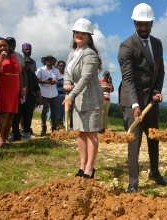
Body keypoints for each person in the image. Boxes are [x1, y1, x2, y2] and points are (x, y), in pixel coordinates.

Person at [117, 3, 167, 193]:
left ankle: (154, 172)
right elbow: (128, 79)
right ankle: (133, 182)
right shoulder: (126, 46)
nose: (143, 28)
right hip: (133, 100)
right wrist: (135, 104)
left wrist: (156, 90)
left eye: (147, 24)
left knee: (153, 138)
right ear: (134, 23)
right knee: (134, 141)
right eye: (140, 24)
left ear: (152, 23)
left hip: (151, 101)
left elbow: (160, 70)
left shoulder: (157, 44)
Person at [63, 18, 104, 179]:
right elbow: (68, 72)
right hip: (79, 100)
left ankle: (89, 168)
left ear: (89, 37)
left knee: (91, 133)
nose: (79, 35)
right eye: (77, 32)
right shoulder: (72, 54)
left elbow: (85, 78)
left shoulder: (90, 54)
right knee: (81, 133)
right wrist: (66, 82)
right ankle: (82, 165)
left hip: (92, 99)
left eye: (83, 33)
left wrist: (70, 96)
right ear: (73, 35)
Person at [0, 37, 21, 148]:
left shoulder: (14, 57)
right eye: (0, 46)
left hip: (14, 87)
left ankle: (6, 137)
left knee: (11, 114)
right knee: (4, 112)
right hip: (2, 86)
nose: (3, 48)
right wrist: (1, 60)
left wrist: (22, 88)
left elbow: (18, 72)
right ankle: (0, 139)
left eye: (4, 45)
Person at [6, 37, 28, 141]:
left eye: (13, 43)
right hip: (5, 88)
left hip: (18, 87)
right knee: (6, 112)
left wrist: (24, 87)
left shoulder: (19, 56)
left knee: (18, 111)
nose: (11, 45)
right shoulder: (1, 55)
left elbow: (22, 73)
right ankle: (6, 135)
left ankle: (16, 133)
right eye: (9, 43)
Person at [36, 54, 59, 136]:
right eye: (47, 59)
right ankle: (43, 129)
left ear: (53, 61)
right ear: (45, 61)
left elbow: (58, 80)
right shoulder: (40, 69)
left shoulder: (56, 70)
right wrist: (45, 82)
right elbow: (37, 80)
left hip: (54, 94)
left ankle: (54, 129)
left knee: (54, 112)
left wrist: (55, 82)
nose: (49, 61)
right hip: (44, 93)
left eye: (51, 59)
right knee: (43, 112)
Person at [21, 57, 42, 136]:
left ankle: (26, 131)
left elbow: (36, 86)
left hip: (30, 96)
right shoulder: (20, 72)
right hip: (20, 95)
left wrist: (39, 98)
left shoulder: (32, 74)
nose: (27, 64)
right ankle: (20, 131)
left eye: (29, 63)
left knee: (29, 114)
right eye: (26, 63)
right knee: (20, 114)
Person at [21, 43, 37, 136]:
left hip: (31, 89)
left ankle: (26, 128)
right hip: (21, 87)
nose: (28, 51)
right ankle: (22, 128)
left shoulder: (33, 61)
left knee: (28, 110)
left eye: (29, 49)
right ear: (22, 50)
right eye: (26, 49)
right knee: (21, 111)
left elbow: (32, 74)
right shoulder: (20, 59)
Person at [55, 60, 66, 130]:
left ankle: (60, 124)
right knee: (56, 111)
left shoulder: (66, 75)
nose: (61, 67)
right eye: (60, 66)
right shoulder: (55, 74)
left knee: (62, 111)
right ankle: (56, 125)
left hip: (64, 95)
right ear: (57, 66)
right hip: (56, 95)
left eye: (63, 66)